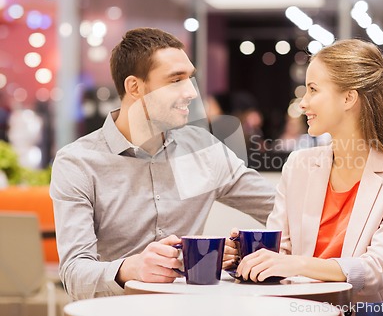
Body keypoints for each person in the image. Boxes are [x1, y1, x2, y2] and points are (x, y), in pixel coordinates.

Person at [50, 28, 275, 300]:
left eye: (190, 78)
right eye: (175, 80)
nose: (191, 92)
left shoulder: (203, 150)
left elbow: (281, 210)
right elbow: (74, 274)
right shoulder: (77, 163)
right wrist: (129, 268)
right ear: (135, 87)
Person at [227, 39, 383, 302]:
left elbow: (377, 270)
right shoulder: (299, 165)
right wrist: (247, 255)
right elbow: (282, 249)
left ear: (349, 97)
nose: (303, 103)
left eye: (313, 90)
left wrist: (298, 265)